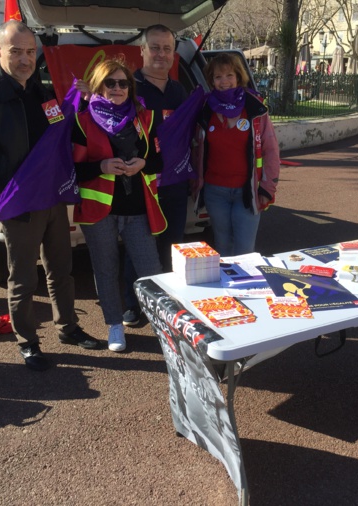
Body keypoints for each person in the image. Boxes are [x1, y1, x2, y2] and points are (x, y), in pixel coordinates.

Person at [0, 20, 99, 371]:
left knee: (62, 269)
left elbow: (58, 132)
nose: (24, 59)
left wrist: (79, 101)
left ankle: (68, 327)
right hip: (15, 202)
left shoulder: (41, 91)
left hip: (50, 198)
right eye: (16, 51)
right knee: (22, 278)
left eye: (31, 52)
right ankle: (28, 341)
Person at [72, 59, 164, 352]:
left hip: (138, 210)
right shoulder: (82, 120)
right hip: (101, 212)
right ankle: (114, 325)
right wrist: (101, 165)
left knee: (151, 271)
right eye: (109, 83)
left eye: (123, 83)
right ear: (98, 86)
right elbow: (72, 170)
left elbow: (161, 160)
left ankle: (165, 325)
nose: (117, 88)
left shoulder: (145, 119)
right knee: (106, 270)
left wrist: (143, 164)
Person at [121, 24, 189, 328]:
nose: (161, 53)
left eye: (167, 48)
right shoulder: (126, 86)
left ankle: (164, 299)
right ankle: (131, 305)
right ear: (142, 51)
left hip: (174, 182)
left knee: (171, 244)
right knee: (138, 246)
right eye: (155, 47)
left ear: (173, 54)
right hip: (139, 184)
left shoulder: (179, 90)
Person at [193, 53, 280, 256]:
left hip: (246, 191)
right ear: (211, 81)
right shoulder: (205, 109)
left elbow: (271, 151)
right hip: (215, 192)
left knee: (245, 252)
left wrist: (267, 189)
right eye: (218, 77)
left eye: (229, 75)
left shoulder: (255, 107)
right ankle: (227, 288)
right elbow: (195, 149)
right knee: (222, 247)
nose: (224, 81)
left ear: (238, 77)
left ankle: (244, 288)